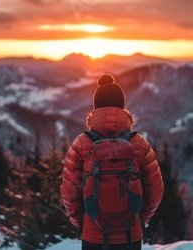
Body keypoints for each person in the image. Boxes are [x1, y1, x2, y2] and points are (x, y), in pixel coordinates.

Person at [61, 74, 164, 250]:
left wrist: (84, 221)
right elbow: (155, 189)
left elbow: (69, 192)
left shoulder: (81, 143)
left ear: (95, 108)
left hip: (93, 235)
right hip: (130, 234)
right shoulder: (139, 142)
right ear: (123, 107)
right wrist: (139, 219)